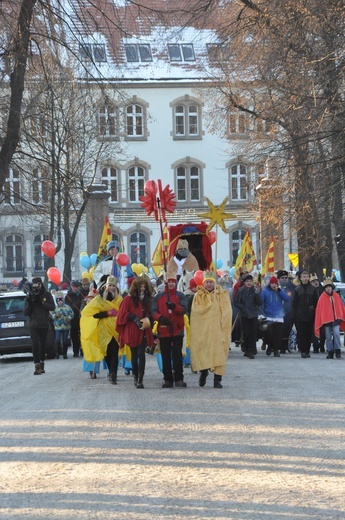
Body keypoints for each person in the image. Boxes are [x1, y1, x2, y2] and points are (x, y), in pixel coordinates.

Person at [190, 270, 232, 388]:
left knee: (219, 352)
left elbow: (227, 310)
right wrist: (209, 308)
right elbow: (196, 312)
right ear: (203, 283)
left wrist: (223, 321)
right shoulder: (199, 295)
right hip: (203, 329)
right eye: (207, 282)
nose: (209, 284)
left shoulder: (222, 294)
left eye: (211, 282)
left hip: (218, 329)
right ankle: (203, 372)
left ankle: (217, 379)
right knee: (204, 350)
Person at [80, 275, 122, 384]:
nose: (112, 287)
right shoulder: (100, 299)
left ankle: (113, 374)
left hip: (116, 329)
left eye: (114, 285)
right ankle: (110, 370)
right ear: (106, 286)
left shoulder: (119, 299)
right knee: (107, 352)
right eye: (110, 285)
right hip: (104, 330)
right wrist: (106, 313)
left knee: (114, 352)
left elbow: (124, 312)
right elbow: (94, 314)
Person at [116, 276, 155, 389]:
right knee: (134, 354)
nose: (142, 289)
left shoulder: (147, 299)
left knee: (141, 354)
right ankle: (135, 375)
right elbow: (122, 315)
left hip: (143, 328)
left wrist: (147, 318)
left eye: (144, 286)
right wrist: (133, 317)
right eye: (140, 286)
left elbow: (150, 313)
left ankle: (140, 378)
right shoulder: (128, 299)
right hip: (133, 329)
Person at [152, 272, 188, 388]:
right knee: (165, 355)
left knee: (177, 355)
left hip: (177, 329)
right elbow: (153, 311)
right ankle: (167, 379)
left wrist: (174, 307)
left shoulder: (180, 296)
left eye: (173, 282)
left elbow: (183, 309)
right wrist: (160, 318)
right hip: (164, 329)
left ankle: (179, 378)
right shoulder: (159, 297)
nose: (171, 284)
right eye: (169, 282)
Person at [23, 277, 55, 375]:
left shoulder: (47, 295)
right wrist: (30, 303)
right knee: (35, 344)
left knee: (43, 344)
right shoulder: (29, 296)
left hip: (44, 323)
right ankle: (37, 365)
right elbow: (25, 313)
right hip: (33, 324)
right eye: (35, 284)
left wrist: (42, 303)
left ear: (41, 284)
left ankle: (42, 363)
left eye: (39, 284)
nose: (38, 286)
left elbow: (52, 307)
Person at [314, 278, 345, 359]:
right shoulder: (322, 298)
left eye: (329, 287)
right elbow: (320, 310)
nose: (328, 288)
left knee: (336, 334)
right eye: (326, 287)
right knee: (328, 336)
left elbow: (340, 307)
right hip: (326, 320)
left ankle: (337, 350)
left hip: (336, 320)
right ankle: (330, 351)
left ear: (332, 287)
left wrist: (340, 316)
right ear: (324, 289)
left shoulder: (336, 296)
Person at [261, 276, 291, 357]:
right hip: (269, 316)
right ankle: (269, 346)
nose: (274, 285)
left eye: (275, 283)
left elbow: (287, 299)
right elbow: (260, 302)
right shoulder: (265, 292)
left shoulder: (280, 291)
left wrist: (280, 291)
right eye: (272, 283)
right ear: (269, 284)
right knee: (269, 333)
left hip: (279, 316)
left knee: (278, 335)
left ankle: (276, 350)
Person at [292, 269, 319, 358]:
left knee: (308, 335)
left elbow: (317, 302)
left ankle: (307, 351)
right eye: (303, 277)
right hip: (300, 316)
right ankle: (303, 351)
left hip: (310, 315)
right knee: (302, 334)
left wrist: (314, 309)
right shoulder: (297, 289)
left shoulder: (313, 289)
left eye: (307, 276)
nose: (305, 278)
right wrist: (294, 315)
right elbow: (294, 303)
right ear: (300, 278)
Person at [234, 274, 262, 359]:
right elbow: (235, 302)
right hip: (244, 314)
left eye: (250, 281)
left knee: (253, 332)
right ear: (244, 282)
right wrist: (243, 307)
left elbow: (260, 303)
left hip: (253, 314)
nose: (249, 283)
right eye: (247, 281)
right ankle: (246, 349)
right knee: (246, 332)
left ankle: (252, 349)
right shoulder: (240, 290)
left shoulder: (255, 290)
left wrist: (257, 294)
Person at [50, 292, 74, 359]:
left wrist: (69, 318)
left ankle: (64, 353)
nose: (60, 302)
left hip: (66, 326)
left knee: (65, 340)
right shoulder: (55, 308)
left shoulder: (67, 307)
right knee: (57, 340)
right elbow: (52, 315)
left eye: (61, 301)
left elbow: (72, 314)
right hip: (58, 326)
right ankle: (58, 352)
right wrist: (56, 316)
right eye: (58, 301)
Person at [277, 269, 295, 353]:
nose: (284, 279)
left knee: (287, 329)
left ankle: (284, 347)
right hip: (277, 312)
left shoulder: (292, 287)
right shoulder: (275, 287)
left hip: (288, 312)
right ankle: (277, 346)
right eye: (282, 277)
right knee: (278, 330)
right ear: (279, 279)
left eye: (286, 277)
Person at [65, 280, 83, 357]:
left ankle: (83, 350)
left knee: (82, 335)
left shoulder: (82, 295)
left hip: (82, 318)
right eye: (74, 287)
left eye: (77, 287)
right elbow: (67, 307)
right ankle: (75, 351)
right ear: (71, 287)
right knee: (74, 335)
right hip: (73, 318)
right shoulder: (68, 296)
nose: (75, 289)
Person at [309, 274, 325, 353]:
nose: (315, 283)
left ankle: (322, 345)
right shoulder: (310, 291)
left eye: (316, 281)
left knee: (323, 331)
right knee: (314, 330)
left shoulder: (323, 290)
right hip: (313, 313)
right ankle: (315, 346)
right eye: (313, 282)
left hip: (323, 313)